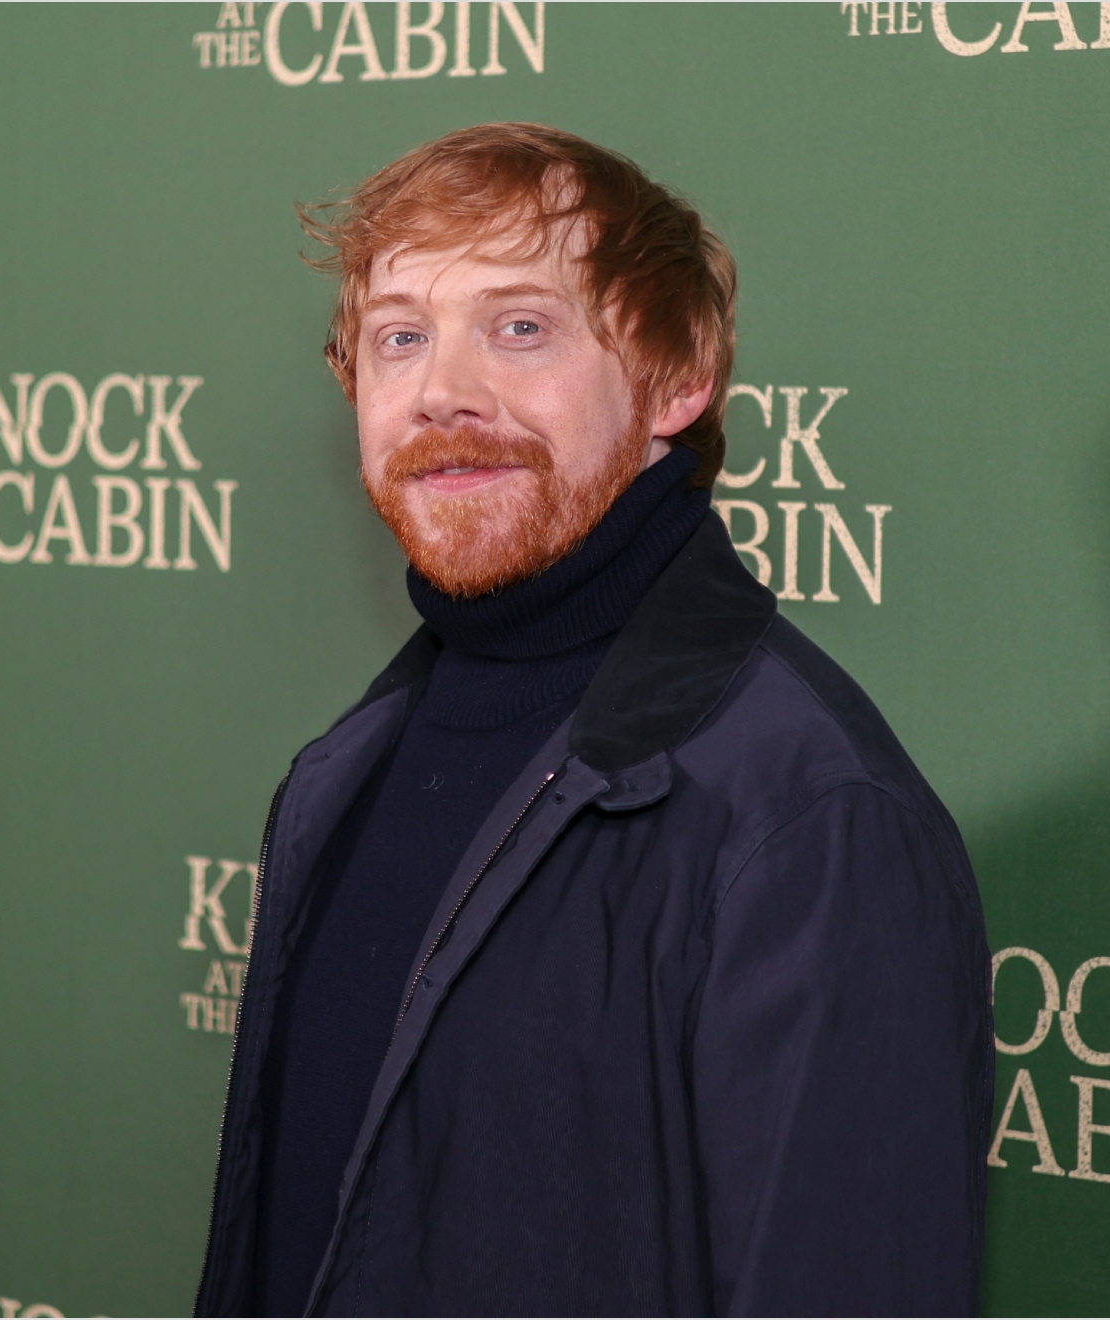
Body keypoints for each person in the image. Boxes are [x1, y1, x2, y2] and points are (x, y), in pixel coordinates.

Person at [194, 122, 992, 1318]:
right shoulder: (346, 773)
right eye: (400, 337)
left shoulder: (806, 820)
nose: (444, 393)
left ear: (678, 381)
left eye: (521, 328)